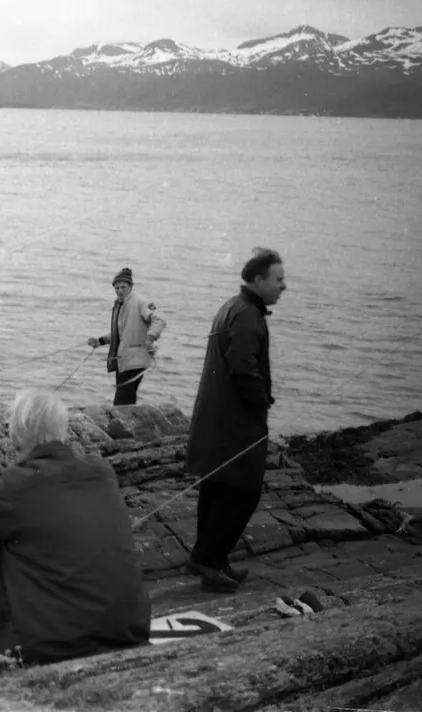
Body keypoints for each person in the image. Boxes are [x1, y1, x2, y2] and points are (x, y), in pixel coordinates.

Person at [0, 390, 151, 689]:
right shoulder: (102, 472)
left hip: (55, 646)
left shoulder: (18, 486)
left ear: (16, 439)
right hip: (126, 628)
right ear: (62, 431)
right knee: (8, 536)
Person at [184, 248, 287, 591]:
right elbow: (243, 368)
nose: (283, 287)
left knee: (218, 488)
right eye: (278, 279)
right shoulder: (246, 314)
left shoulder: (235, 305)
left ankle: (212, 559)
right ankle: (208, 560)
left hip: (218, 418)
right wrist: (261, 405)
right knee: (242, 492)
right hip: (235, 423)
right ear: (258, 281)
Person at [88, 267, 166, 405]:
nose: (119, 290)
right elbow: (119, 334)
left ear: (130, 286)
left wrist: (150, 338)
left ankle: (121, 425)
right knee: (127, 400)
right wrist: (99, 341)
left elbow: (159, 320)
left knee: (121, 403)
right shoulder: (121, 304)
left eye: (123, 287)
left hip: (134, 360)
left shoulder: (140, 302)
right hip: (124, 361)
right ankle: (128, 424)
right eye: (116, 288)